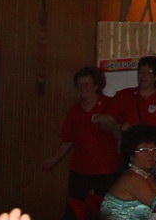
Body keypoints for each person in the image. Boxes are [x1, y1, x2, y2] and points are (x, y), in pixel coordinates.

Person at [43, 68, 120, 202]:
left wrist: (109, 123)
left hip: (106, 169)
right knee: (74, 208)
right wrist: (54, 159)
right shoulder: (74, 111)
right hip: (80, 169)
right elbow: (67, 140)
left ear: (96, 86)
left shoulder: (110, 105)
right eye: (79, 85)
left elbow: (120, 132)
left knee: (106, 209)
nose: (82, 88)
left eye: (86, 84)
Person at [110, 56, 156, 130]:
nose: (143, 75)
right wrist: (120, 127)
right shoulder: (123, 96)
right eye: (141, 71)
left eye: (149, 72)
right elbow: (106, 121)